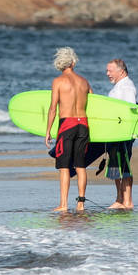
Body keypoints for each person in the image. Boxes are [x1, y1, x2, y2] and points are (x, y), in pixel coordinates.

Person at [45, 47, 92, 212]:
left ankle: (63, 205)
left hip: (67, 125)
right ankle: (81, 203)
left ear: (60, 63)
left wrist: (48, 131)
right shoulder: (84, 82)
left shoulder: (58, 82)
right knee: (80, 166)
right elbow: (95, 106)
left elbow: (53, 109)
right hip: (83, 124)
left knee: (64, 166)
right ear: (73, 62)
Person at [104, 58, 137, 209]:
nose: (107, 74)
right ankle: (119, 198)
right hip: (114, 133)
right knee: (115, 165)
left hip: (122, 134)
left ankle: (127, 201)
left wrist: (125, 133)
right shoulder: (119, 86)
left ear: (121, 71)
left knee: (123, 165)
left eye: (110, 71)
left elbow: (130, 110)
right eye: (107, 71)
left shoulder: (127, 87)